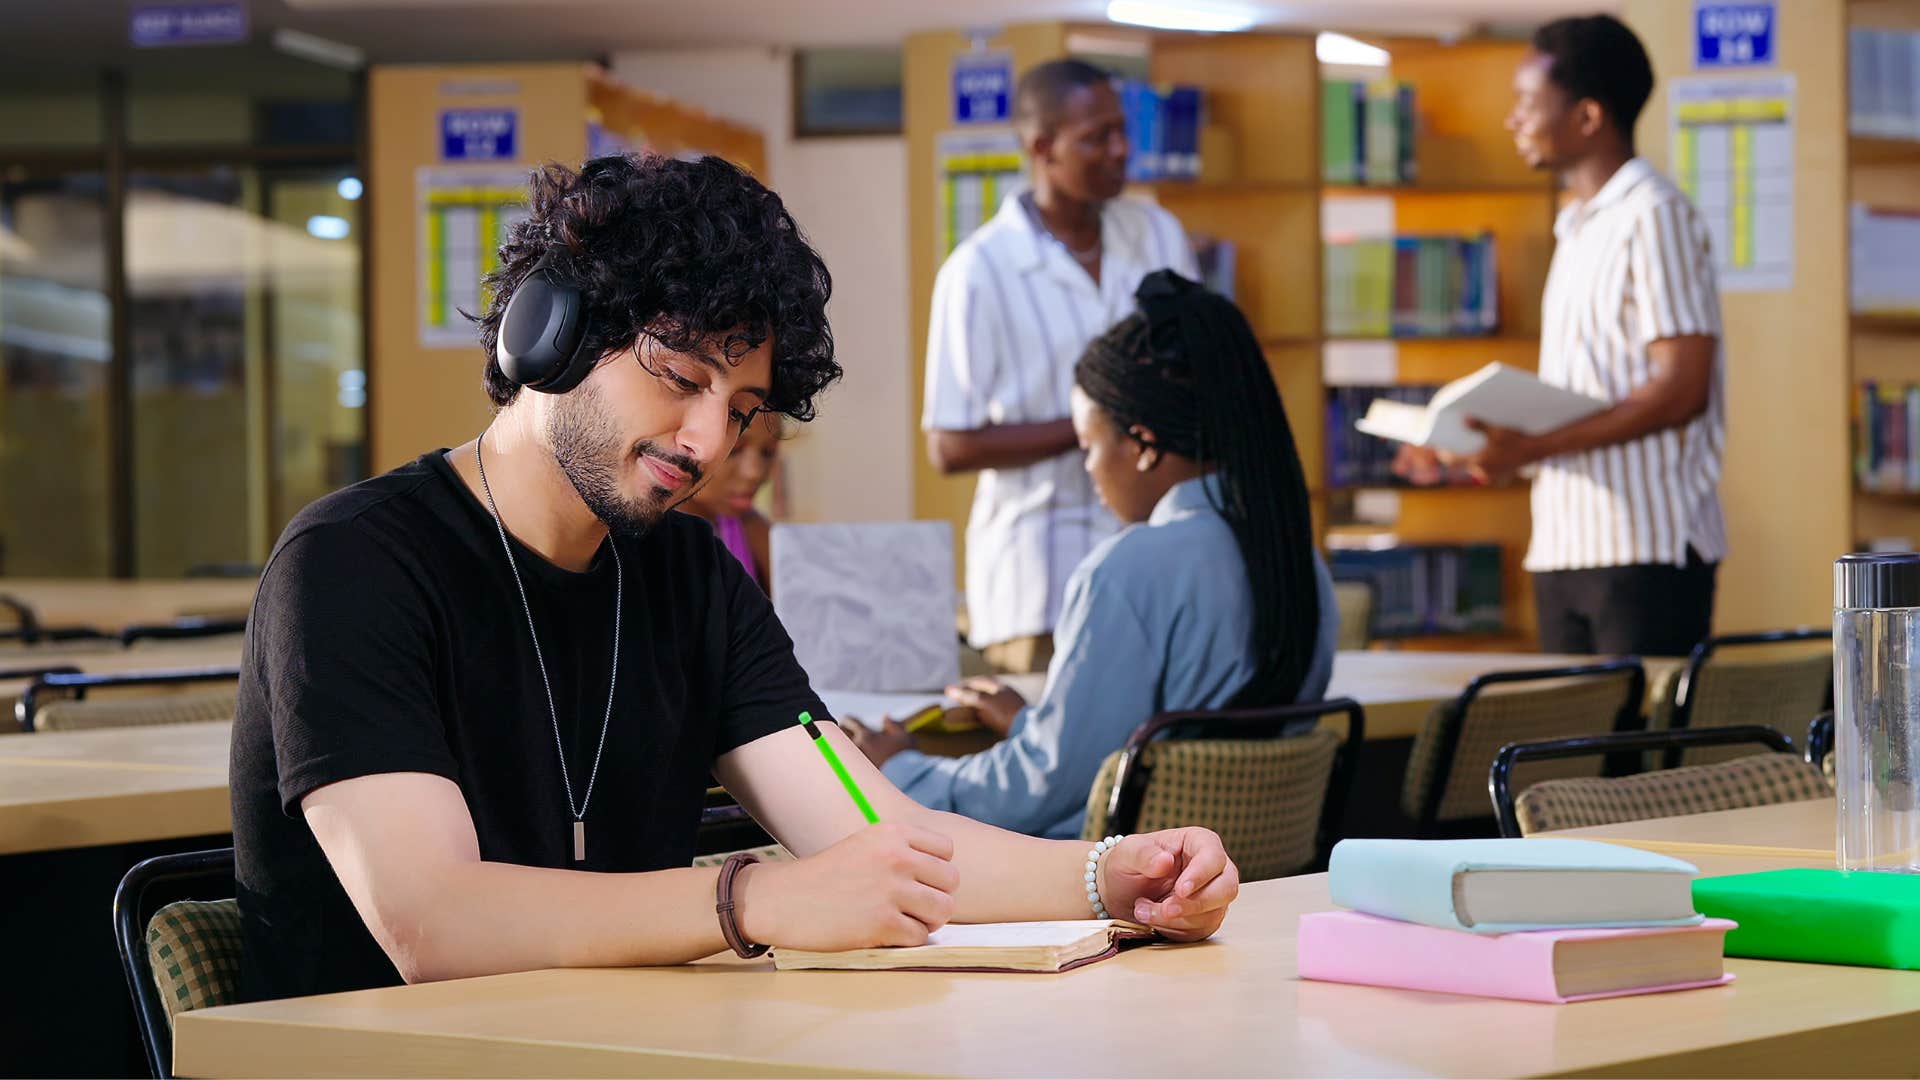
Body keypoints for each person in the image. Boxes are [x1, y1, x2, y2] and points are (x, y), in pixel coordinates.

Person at [230, 154, 1240, 1003]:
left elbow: (880, 828)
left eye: (746, 408)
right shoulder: (353, 564)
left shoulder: (691, 578)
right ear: (552, 334)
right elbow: (434, 923)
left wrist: (1111, 876)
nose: (711, 440)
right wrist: (746, 900)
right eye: (681, 377)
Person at [851, 271, 1338, 839]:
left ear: (1142, 445)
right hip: (1238, 888)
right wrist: (1039, 729)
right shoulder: (1302, 565)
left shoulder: (1128, 571)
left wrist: (899, 769)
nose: (1089, 469)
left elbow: (1039, 796)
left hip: (1117, 895)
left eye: (1089, 447)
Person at [1396, 14, 1725, 658]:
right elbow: (1589, 387)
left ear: (1588, 116)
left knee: (1641, 760)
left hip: (1644, 550)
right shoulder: (1577, 225)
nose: (1513, 119)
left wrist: (1532, 446)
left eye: (1527, 102)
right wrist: (1475, 441)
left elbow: (1683, 389)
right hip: (1566, 547)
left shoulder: (1652, 215)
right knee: (1572, 757)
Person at [923, 59, 1199, 675]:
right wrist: (1100, 424)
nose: (1121, 150)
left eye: (1122, 131)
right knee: (1054, 759)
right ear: (1042, 147)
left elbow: (1197, 370)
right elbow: (950, 444)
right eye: (1096, 137)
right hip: (1038, 583)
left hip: (1156, 564)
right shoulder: (980, 271)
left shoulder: (1157, 236)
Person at [678, 409, 780, 591]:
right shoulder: (638, 543)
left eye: (768, 452)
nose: (755, 472)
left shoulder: (755, 532)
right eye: (735, 449)